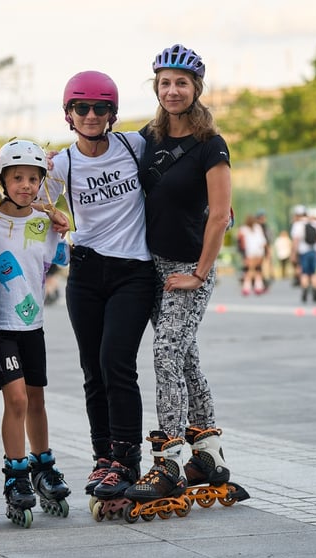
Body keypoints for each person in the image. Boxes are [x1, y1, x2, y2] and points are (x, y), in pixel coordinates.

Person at [126, 44, 237, 506]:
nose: (172, 90)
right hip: (151, 265)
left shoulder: (211, 145)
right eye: (165, 83)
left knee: (166, 352)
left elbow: (220, 215)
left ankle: (169, 460)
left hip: (189, 267)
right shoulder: (147, 138)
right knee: (185, 355)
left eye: (182, 83)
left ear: (196, 88)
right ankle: (208, 453)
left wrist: (199, 273)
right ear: (156, 87)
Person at [46, 70, 153, 506]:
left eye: (100, 108)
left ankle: (127, 458)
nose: (91, 115)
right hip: (86, 273)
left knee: (116, 362)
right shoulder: (61, 164)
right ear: (68, 114)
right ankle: (103, 456)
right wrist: (51, 213)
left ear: (113, 113)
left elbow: (183, 159)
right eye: (82, 108)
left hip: (134, 271)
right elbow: (23, 196)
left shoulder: (134, 145)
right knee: (93, 368)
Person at [0, 139, 71, 524]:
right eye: (17, 177)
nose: (25, 185)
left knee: (37, 399)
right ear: (2, 180)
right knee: (17, 400)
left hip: (33, 325)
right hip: (0, 327)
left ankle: (43, 466)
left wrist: (61, 225)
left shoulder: (44, 223)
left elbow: (60, 257)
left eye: (33, 179)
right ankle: (16, 474)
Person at [291, 205, 316, 304]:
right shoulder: (314, 223)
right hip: (314, 251)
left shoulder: (297, 225)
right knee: (314, 272)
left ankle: (304, 292)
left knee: (304, 273)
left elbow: (296, 240)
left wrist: (293, 253)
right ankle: (315, 292)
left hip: (303, 252)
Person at [237, 214, 267, 295]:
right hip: (259, 251)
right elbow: (263, 241)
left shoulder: (243, 229)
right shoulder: (258, 227)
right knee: (258, 270)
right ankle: (258, 286)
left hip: (250, 251)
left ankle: (246, 287)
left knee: (249, 270)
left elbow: (240, 240)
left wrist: (242, 252)